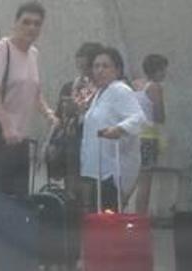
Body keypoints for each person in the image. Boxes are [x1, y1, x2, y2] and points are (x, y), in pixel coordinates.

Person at [0, 1, 58, 197]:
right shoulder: (2, 49)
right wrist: (7, 126)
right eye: (26, 22)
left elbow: (35, 91)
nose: (31, 28)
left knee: (19, 198)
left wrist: (48, 113)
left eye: (37, 24)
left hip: (20, 139)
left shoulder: (33, 54)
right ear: (15, 24)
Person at [79, 47, 146, 210]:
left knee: (109, 217)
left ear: (117, 70)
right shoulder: (100, 93)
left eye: (105, 66)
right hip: (97, 168)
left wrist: (119, 129)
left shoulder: (120, 90)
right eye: (96, 66)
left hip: (113, 169)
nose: (100, 70)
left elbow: (139, 118)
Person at [51, 42, 104, 200]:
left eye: (87, 69)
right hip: (70, 142)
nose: (84, 74)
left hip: (92, 142)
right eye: (80, 68)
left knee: (89, 184)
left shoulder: (102, 88)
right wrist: (52, 141)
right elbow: (58, 116)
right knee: (71, 181)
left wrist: (81, 110)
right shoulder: (70, 86)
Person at [131, 54, 169, 215]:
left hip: (134, 135)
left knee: (133, 180)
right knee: (145, 181)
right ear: (157, 70)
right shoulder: (154, 87)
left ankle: (121, 210)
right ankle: (140, 217)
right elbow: (159, 116)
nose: (165, 74)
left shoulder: (135, 84)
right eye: (163, 70)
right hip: (148, 136)